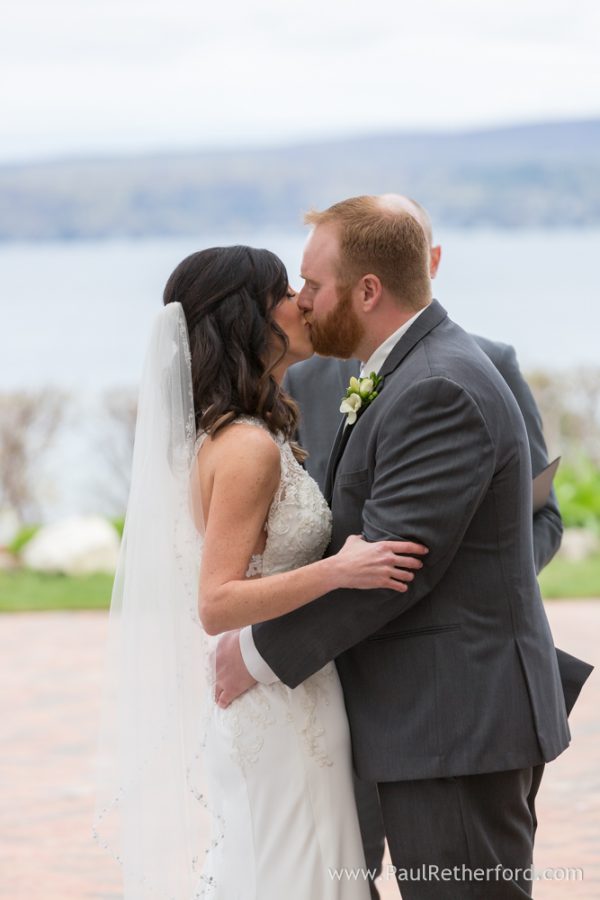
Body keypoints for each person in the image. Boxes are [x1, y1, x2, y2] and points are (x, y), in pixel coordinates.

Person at [215, 198, 572, 899]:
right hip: (424, 719)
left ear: (369, 290)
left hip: (456, 727)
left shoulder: (437, 385)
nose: (303, 303)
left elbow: (391, 571)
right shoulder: (404, 372)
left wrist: (255, 654)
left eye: (314, 286)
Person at [94, 245, 429, 900]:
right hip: (279, 711)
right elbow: (217, 602)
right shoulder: (244, 446)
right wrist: (341, 571)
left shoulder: (239, 431)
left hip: (289, 694)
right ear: (248, 317)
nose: (303, 302)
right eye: (285, 290)